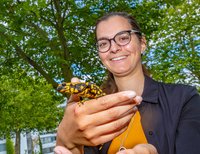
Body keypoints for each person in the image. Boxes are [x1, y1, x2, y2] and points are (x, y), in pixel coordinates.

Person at [54, 12, 200, 154]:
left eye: (123, 38)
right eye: (104, 43)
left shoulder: (185, 99)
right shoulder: (93, 112)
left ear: (142, 43)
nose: (114, 48)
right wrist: (65, 139)